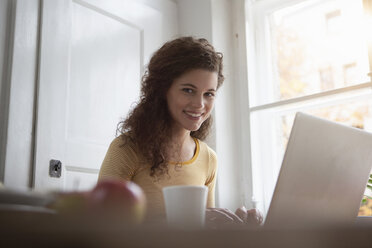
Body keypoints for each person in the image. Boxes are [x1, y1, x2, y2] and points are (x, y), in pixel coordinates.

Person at [98, 36, 262, 227]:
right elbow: (101, 228)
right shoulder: (127, 149)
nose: (200, 105)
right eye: (188, 90)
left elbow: (201, 235)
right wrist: (176, 223)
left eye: (209, 94)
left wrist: (236, 228)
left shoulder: (209, 159)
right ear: (162, 90)